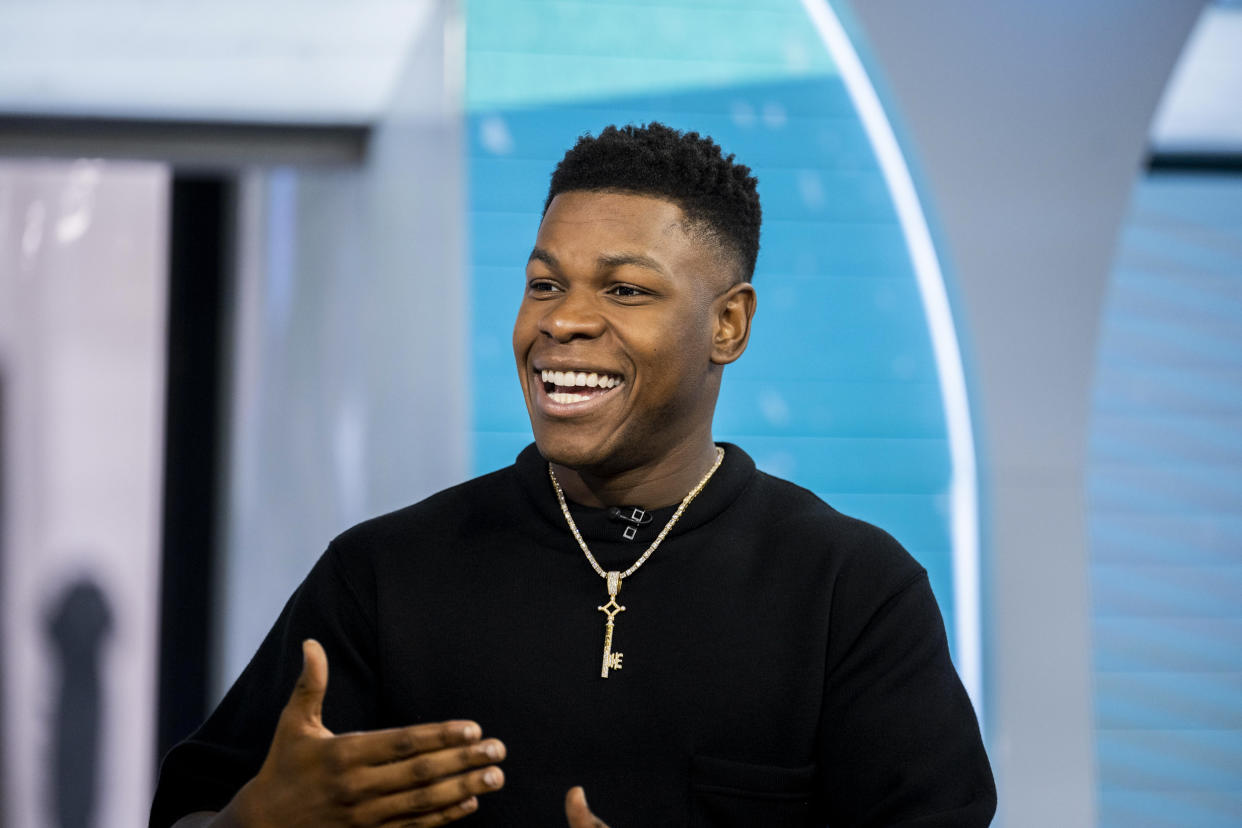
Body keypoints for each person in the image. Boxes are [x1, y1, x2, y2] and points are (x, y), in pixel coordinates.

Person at [151, 123, 996, 827]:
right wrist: (245, 825)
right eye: (543, 282)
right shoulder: (384, 573)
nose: (563, 320)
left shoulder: (850, 591)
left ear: (728, 325)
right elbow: (192, 812)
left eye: (625, 291)